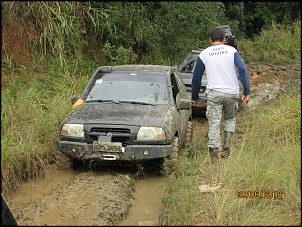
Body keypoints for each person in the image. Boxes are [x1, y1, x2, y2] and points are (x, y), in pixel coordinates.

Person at [191, 27, 250, 159]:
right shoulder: (232, 51)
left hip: (215, 93)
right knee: (230, 118)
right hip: (232, 92)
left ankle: (214, 153)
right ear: (224, 40)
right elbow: (242, 70)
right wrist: (246, 90)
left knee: (214, 122)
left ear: (210, 40)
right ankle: (227, 142)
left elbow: (196, 78)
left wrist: (195, 96)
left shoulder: (204, 54)